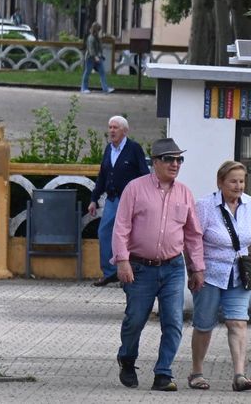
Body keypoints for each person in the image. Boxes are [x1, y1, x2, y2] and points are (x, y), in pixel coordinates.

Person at [113, 137, 206, 391]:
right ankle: (127, 359)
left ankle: (163, 373)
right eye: (169, 159)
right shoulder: (135, 188)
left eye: (179, 159)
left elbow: (193, 234)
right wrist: (122, 261)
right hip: (140, 266)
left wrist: (197, 267)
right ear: (155, 162)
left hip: (174, 267)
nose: (175, 164)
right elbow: (121, 227)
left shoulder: (185, 192)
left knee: (174, 321)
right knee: (135, 319)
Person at [187, 160, 251, 391]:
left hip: (239, 275)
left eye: (242, 181)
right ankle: (196, 372)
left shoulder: (249, 205)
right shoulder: (204, 206)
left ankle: (239, 375)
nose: (238, 186)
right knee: (204, 325)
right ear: (220, 182)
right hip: (209, 274)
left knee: (238, 322)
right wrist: (194, 270)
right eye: (233, 181)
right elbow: (192, 241)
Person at [91, 114, 150, 286]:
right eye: (110, 127)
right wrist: (94, 198)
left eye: (115, 127)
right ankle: (109, 272)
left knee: (129, 235)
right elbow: (102, 176)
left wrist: (144, 198)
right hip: (112, 198)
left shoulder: (134, 148)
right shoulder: (109, 149)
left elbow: (144, 174)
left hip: (130, 200)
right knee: (104, 232)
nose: (111, 131)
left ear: (124, 131)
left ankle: (131, 271)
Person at [82, 21, 114, 94]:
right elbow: (91, 49)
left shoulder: (97, 38)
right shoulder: (91, 38)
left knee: (102, 72)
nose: (99, 31)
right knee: (87, 72)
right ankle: (84, 88)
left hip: (98, 58)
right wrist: (95, 57)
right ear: (95, 29)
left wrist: (100, 56)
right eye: (98, 30)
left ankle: (105, 89)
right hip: (90, 58)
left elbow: (99, 48)